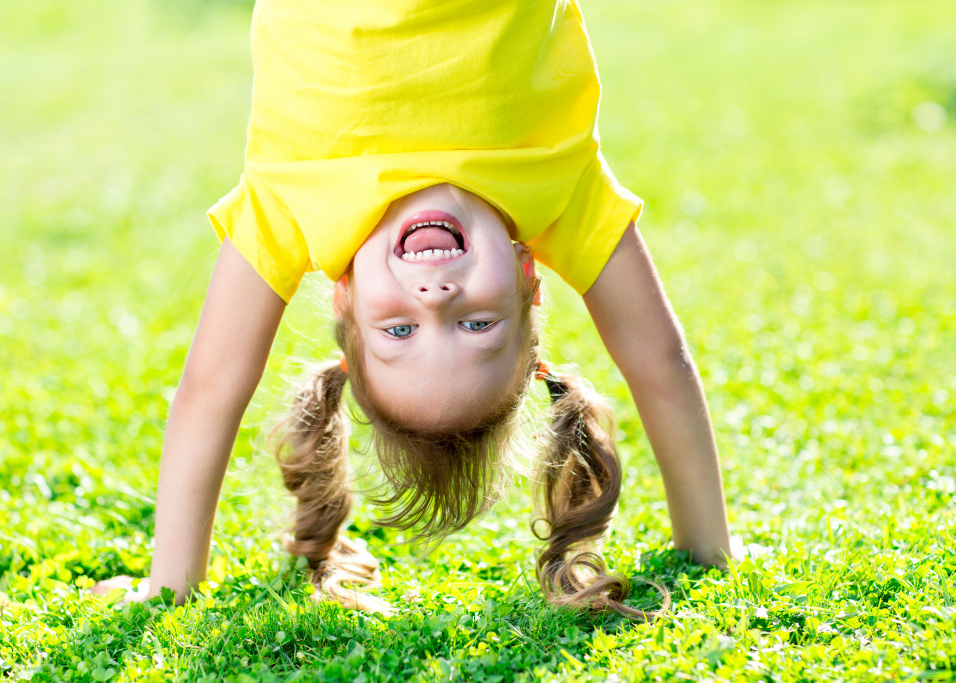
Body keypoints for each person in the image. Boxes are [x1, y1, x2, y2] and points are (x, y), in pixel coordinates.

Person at [91, 0, 733, 617]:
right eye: (478, 325)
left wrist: (170, 581)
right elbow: (659, 360)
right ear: (526, 277)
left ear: (345, 295)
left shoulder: (292, 209)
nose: (435, 298)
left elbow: (211, 387)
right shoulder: (558, 191)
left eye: (398, 330)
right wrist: (709, 547)